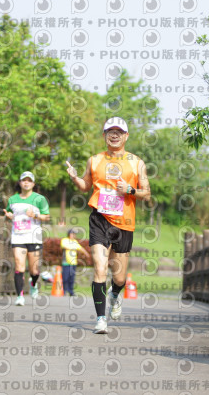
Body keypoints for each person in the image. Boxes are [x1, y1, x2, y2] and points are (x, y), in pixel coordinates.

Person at [66, 116, 151, 333]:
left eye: (119, 131)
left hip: (124, 223)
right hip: (99, 218)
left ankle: (114, 293)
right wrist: (76, 178)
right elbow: (86, 186)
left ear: (126, 136)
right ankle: (100, 319)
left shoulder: (137, 162)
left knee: (120, 276)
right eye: (110, 131)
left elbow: (147, 194)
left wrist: (130, 190)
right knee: (100, 267)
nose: (114, 134)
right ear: (104, 135)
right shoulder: (94, 160)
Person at [3, 171, 51, 306]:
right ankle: (20, 296)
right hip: (18, 237)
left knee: (34, 270)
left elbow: (46, 216)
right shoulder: (12, 199)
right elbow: (10, 212)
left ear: (33, 184)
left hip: (34, 237)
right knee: (19, 265)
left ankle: (33, 284)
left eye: (29, 180)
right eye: (24, 180)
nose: (26, 182)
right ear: (20, 182)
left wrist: (35, 215)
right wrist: (9, 216)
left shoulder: (39, 199)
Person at [60, 228, 91, 296]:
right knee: (65, 278)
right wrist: (74, 247)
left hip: (73, 263)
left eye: (74, 234)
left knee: (72, 278)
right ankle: (64, 291)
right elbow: (64, 247)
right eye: (73, 234)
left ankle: (71, 291)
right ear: (69, 234)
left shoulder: (75, 242)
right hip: (66, 262)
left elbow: (80, 248)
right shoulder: (64, 240)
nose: (74, 235)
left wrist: (86, 254)